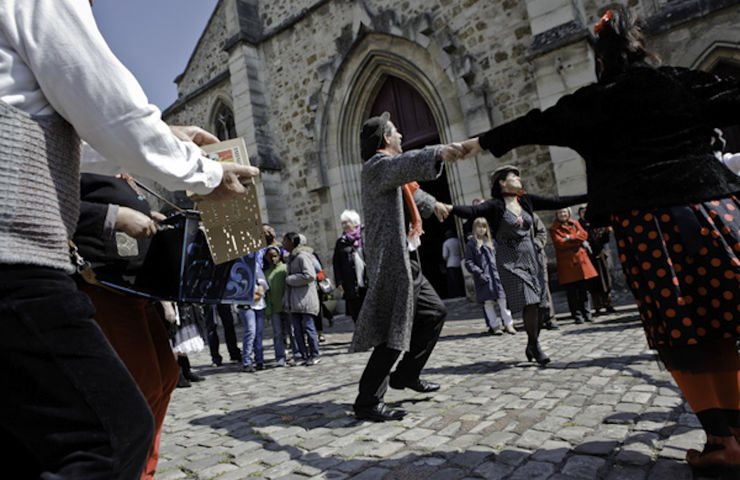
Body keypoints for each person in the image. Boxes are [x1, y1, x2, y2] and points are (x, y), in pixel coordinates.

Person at [453, 7, 740, 469]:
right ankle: (736, 434)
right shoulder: (679, 80)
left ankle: (720, 441)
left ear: (600, 60)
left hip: (652, 226)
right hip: (713, 212)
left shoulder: (595, 100)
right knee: (722, 327)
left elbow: (535, 123)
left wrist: (478, 144)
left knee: (679, 334)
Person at [0, 2, 260, 478]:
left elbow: (66, 131)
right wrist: (204, 173)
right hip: (28, 261)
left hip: (70, 269)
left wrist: (163, 135)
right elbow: (113, 115)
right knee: (109, 436)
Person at [351, 112, 463, 422]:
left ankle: (406, 374)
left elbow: (411, 190)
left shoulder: (393, 175)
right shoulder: (376, 166)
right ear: (386, 138)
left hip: (407, 261)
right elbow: (401, 168)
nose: (402, 135)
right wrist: (437, 151)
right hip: (391, 263)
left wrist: (435, 205)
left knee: (433, 312)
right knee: (393, 330)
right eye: (397, 131)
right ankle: (367, 401)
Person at [73, 172, 181, 480]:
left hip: (137, 287)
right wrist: (114, 216)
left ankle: (144, 470)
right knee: (140, 386)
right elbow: (47, 204)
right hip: (100, 282)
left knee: (166, 376)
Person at [444, 166, 585, 365]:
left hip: (531, 257)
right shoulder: (495, 205)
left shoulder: (524, 199)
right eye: (513, 176)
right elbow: (472, 211)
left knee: (538, 303)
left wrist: (587, 196)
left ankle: (531, 343)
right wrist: (449, 208)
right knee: (530, 301)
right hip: (509, 260)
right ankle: (536, 347)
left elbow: (556, 202)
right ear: (502, 182)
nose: (519, 178)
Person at [464, 217, 516, 336]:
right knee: (488, 303)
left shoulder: (492, 242)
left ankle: (509, 324)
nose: (481, 229)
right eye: (479, 227)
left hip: (497, 277)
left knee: (503, 301)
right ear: (475, 228)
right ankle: (494, 326)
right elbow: (469, 261)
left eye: (483, 227)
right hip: (483, 277)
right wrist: (479, 272)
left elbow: (500, 257)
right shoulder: (471, 244)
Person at [549, 207, 598, 324]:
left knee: (584, 290)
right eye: (560, 212)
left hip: (580, 261)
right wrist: (576, 239)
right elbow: (559, 244)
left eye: (564, 212)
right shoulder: (554, 228)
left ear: (568, 213)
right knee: (572, 292)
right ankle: (577, 315)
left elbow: (584, 235)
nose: (562, 214)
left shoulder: (575, 223)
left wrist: (569, 237)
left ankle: (587, 313)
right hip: (568, 264)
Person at [283, 232, 322, 366]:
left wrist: (290, 279)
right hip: (294, 301)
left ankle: (315, 354)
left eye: (285, 240)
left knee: (308, 328)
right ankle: (302, 356)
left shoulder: (302, 257)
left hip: (305, 299)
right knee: (297, 330)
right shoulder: (291, 258)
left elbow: (310, 275)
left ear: (292, 241)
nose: (283, 243)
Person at [578, 206, 616, 315]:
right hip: (588, 255)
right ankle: (597, 306)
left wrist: (606, 232)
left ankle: (608, 304)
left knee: (605, 279)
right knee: (593, 282)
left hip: (600, 252)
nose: (585, 214)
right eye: (582, 212)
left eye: (586, 211)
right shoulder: (580, 225)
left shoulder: (596, 222)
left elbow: (604, 240)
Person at [333, 209, 367, 322]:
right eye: (343, 223)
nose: (344, 225)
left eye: (346, 222)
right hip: (351, 284)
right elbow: (336, 264)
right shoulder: (341, 242)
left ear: (354, 222)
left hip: (367, 281)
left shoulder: (365, 237)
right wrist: (339, 282)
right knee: (356, 313)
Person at [264, 245, 291, 367]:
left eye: (275, 256)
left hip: (288, 306)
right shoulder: (266, 273)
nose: (273, 259)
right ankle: (280, 356)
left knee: (292, 332)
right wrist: (268, 310)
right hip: (275, 308)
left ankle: (297, 353)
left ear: (279, 256)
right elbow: (267, 293)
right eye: (270, 257)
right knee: (277, 333)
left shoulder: (285, 269)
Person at [532, 212, 559, 329]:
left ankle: (549, 318)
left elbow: (542, 232)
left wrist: (534, 245)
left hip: (537, 256)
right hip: (520, 260)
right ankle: (535, 319)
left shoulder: (532, 216)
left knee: (544, 287)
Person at [442, 230, 465, 297]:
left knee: (454, 280)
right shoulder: (458, 241)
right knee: (460, 278)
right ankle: (462, 292)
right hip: (460, 261)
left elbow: (445, 255)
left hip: (451, 263)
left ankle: (456, 294)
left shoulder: (446, 243)